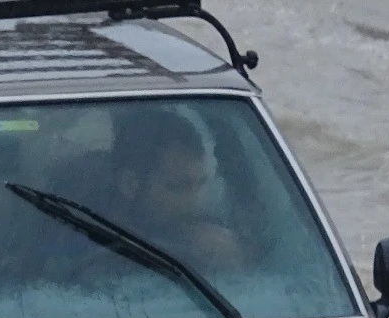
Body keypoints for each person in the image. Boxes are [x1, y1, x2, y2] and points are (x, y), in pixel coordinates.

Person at [50, 107, 245, 271]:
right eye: (177, 187)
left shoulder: (217, 235)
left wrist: (233, 263)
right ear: (129, 185)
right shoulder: (80, 238)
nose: (195, 200)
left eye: (200, 184)